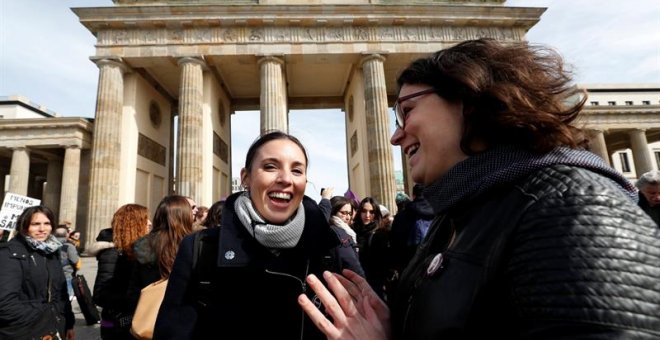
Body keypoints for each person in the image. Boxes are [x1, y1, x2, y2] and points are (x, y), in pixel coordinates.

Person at [298, 38, 660, 339]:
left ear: (469, 99)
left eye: (407, 111)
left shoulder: (574, 209)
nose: (394, 135)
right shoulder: (462, 214)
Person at [154, 131, 364, 339]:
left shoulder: (330, 245)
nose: (285, 179)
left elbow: (362, 322)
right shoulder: (201, 248)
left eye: (297, 170)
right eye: (270, 167)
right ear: (246, 177)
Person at [0, 206, 75, 339]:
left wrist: (68, 323)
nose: (42, 229)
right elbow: (5, 304)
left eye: (47, 223)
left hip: (53, 329)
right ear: (24, 226)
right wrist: (45, 319)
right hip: (24, 332)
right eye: (35, 224)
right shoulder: (9, 253)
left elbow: (61, 293)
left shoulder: (52, 251)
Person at [88, 203, 150, 339]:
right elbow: (100, 295)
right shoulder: (112, 253)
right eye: (145, 220)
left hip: (133, 322)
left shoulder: (137, 251)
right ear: (134, 225)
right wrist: (136, 298)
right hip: (118, 326)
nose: (149, 223)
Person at [127, 195, 194, 313]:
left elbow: (134, 287)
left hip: (150, 311)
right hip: (184, 312)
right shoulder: (193, 243)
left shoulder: (143, 244)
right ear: (185, 217)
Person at [389, 183, 434, 279]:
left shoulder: (401, 216)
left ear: (413, 196)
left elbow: (394, 243)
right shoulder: (439, 214)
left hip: (408, 268)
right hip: (432, 266)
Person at [352, 197, 391, 299]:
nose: (367, 215)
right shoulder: (352, 231)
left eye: (371, 212)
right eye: (364, 211)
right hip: (355, 281)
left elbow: (383, 263)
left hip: (374, 284)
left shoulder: (380, 234)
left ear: (376, 213)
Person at [55, 226, 81, 300]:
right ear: (66, 235)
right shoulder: (69, 246)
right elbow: (74, 260)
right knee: (68, 293)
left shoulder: (49, 245)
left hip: (51, 272)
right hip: (66, 271)